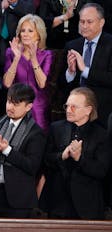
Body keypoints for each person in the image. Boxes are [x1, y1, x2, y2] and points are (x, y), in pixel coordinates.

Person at [0, 83, 46, 218]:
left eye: (15, 104)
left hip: (18, 199)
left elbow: (32, 166)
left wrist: (6, 150)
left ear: (28, 107)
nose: (10, 107)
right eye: (9, 101)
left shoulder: (35, 133)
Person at [44, 87, 110, 219]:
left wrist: (79, 158)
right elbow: (45, 160)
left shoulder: (101, 135)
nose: (68, 110)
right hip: (58, 203)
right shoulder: (56, 128)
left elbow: (101, 171)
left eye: (74, 107)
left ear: (88, 110)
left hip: (87, 206)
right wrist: (62, 155)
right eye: (67, 106)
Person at [63, 3, 112, 128]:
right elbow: (61, 84)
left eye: (89, 22)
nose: (84, 26)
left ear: (101, 23)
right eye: (82, 21)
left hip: (102, 111)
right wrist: (71, 72)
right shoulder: (72, 46)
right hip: (75, 112)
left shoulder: (110, 44)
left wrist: (85, 70)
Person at [3, 14, 53, 132]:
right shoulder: (11, 52)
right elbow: (7, 83)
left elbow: (42, 84)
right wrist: (16, 58)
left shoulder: (47, 54)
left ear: (39, 34)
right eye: (23, 30)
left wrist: (34, 58)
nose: (25, 34)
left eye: (30, 31)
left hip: (38, 108)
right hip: (16, 107)